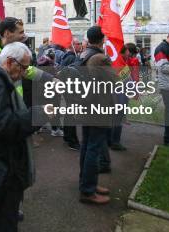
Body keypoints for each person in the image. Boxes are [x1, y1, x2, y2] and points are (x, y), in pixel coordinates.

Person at [0, 42, 46, 230]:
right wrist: (38, 114)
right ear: (10, 62)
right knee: (2, 221)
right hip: (0, 168)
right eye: (23, 67)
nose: (24, 72)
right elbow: (2, 126)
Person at [78, 26, 116, 204]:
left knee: (87, 147)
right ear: (102, 39)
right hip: (98, 107)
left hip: (87, 105)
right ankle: (88, 191)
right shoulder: (100, 57)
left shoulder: (84, 54)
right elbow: (114, 81)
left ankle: (87, 184)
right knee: (93, 148)